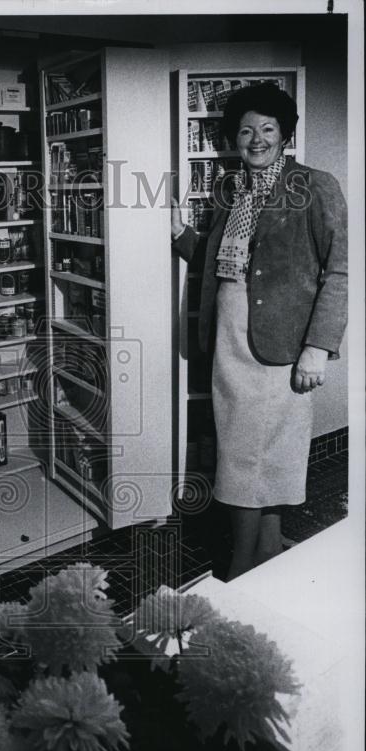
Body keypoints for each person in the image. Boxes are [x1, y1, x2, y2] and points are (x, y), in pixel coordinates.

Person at [171, 83, 347, 579]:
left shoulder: (315, 185)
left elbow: (341, 270)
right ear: (235, 137)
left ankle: (242, 562)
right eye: (246, 129)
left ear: (285, 134)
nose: (256, 139)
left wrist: (318, 347)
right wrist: (181, 236)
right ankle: (268, 547)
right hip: (231, 337)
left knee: (263, 453)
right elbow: (224, 260)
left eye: (267, 128)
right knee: (250, 450)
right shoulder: (232, 189)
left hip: (283, 343)